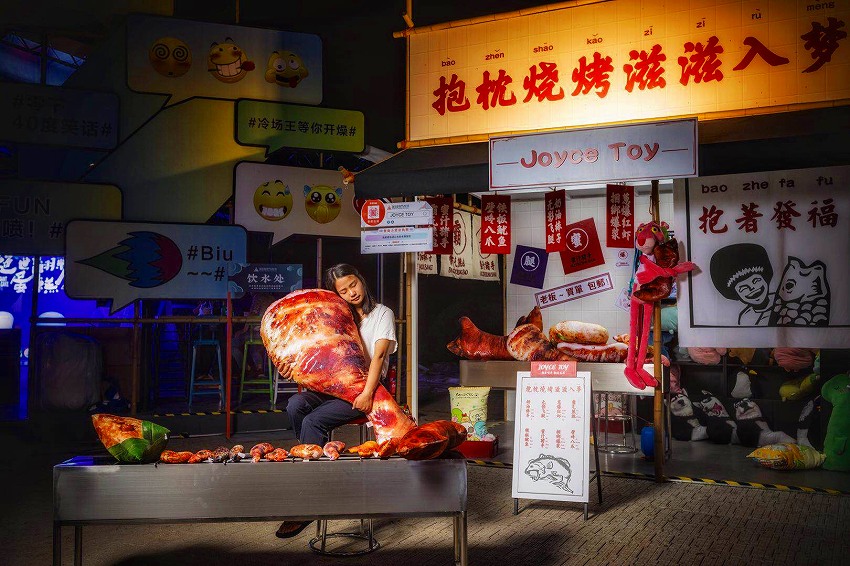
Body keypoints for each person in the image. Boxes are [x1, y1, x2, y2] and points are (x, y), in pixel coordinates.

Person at [276, 263, 396, 539]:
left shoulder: (382, 314)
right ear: (336, 296)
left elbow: (378, 357)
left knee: (313, 421)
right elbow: (309, 352)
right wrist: (289, 368)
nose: (351, 293)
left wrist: (366, 393)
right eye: (343, 291)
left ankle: (309, 502)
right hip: (330, 386)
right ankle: (315, 468)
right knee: (295, 406)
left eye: (353, 285)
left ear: (361, 281)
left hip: (362, 387)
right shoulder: (334, 318)